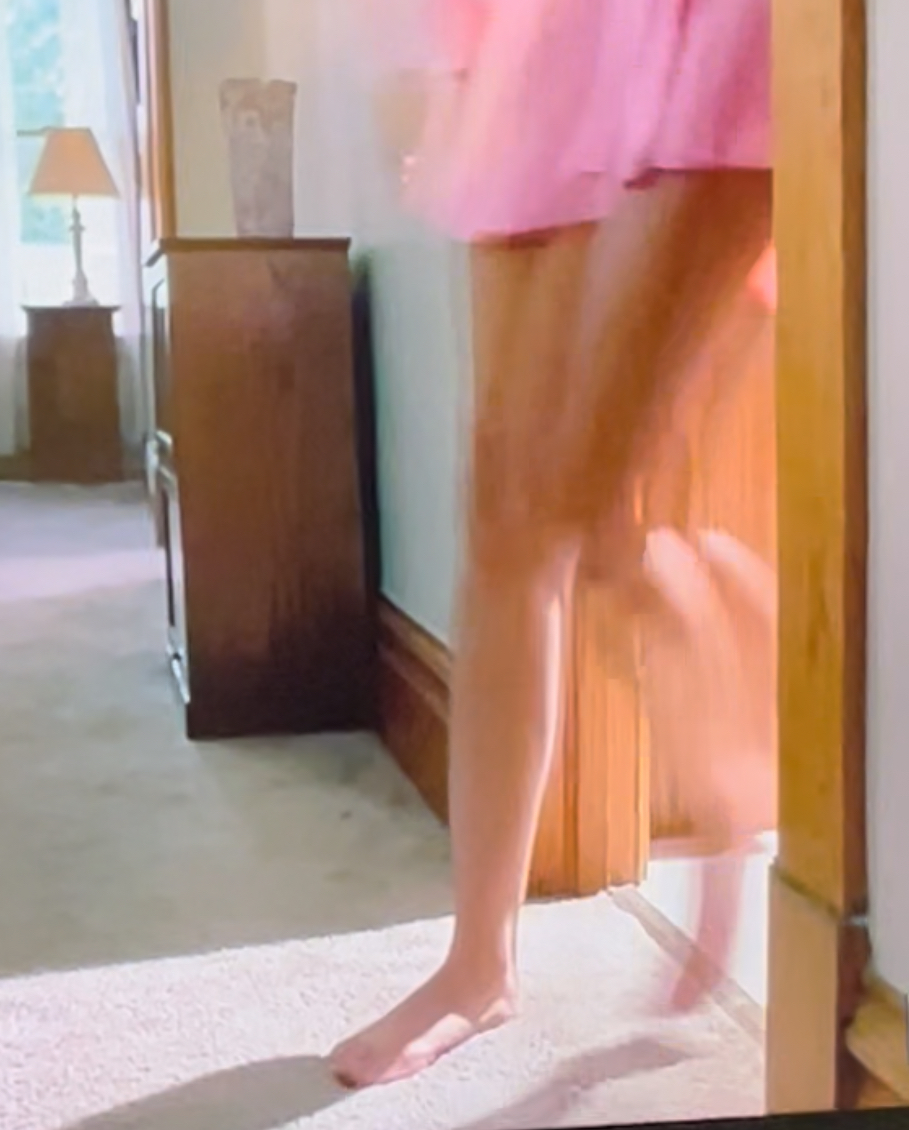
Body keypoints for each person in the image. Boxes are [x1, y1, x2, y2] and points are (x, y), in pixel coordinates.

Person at [330, 0, 776, 1090]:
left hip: (691, 35)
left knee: (594, 498)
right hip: (546, 44)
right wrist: (451, 65)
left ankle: (736, 766)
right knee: (505, 519)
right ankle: (478, 962)